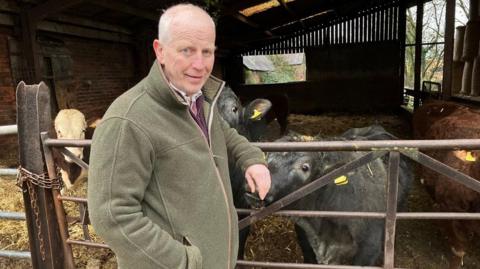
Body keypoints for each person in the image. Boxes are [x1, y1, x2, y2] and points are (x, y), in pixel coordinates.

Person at [87, 3, 271, 269]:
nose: (199, 64)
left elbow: (224, 132)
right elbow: (112, 216)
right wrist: (184, 260)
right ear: (160, 51)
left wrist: (251, 159)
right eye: (187, 50)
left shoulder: (198, 100)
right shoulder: (127, 120)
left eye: (207, 51)